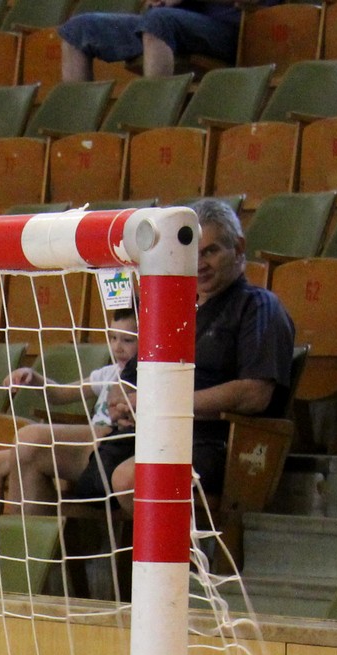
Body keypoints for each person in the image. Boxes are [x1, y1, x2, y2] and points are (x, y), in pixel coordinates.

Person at [103, 196, 296, 506]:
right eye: (192, 252)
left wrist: (162, 405)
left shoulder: (258, 306)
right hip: (152, 433)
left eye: (211, 251)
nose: (200, 263)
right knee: (32, 446)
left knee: (129, 478)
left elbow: (255, 393)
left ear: (239, 248)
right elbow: (129, 376)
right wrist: (120, 401)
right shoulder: (177, 311)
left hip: (214, 441)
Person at [0, 309, 140, 529]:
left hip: (109, 443)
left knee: (30, 441)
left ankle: (30, 536)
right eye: (113, 338)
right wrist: (34, 378)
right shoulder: (108, 373)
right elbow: (60, 394)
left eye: (128, 340)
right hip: (91, 443)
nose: (118, 347)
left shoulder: (142, 374)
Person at [60, 0, 281, 82]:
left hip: (235, 29)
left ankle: (154, 126)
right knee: (77, 29)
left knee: (158, 22)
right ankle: (78, 140)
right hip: (175, 20)